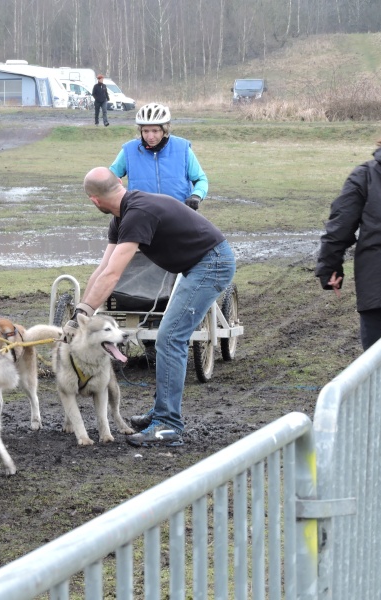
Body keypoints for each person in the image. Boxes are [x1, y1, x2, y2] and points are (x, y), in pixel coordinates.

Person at [65, 167, 236, 447]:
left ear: (94, 200)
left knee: (170, 338)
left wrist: (84, 313)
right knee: (169, 338)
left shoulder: (137, 213)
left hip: (212, 264)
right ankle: (161, 412)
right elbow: (102, 269)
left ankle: (168, 425)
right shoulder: (122, 217)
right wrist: (81, 312)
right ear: (118, 183)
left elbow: (113, 275)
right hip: (198, 264)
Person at [316, 124, 381, 351]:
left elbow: (339, 227)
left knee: (378, 368)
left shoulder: (366, 174)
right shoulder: (366, 175)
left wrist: (330, 269)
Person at [109, 102, 208, 210]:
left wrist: (196, 196)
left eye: (155, 131)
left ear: (164, 130)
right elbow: (109, 179)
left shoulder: (183, 149)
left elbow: (200, 179)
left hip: (178, 214)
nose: (150, 136)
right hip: (140, 215)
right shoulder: (129, 151)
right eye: (145, 131)